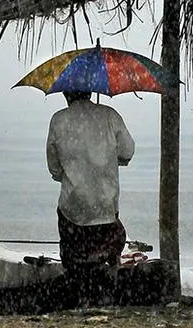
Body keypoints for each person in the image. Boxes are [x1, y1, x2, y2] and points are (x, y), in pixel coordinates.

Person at [46, 90, 135, 285]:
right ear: (91, 92)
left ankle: (75, 283)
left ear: (66, 95)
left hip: (73, 208)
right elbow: (128, 151)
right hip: (106, 207)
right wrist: (109, 159)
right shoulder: (110, 115)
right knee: (115, 235)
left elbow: (54, 167)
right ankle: (110, 277)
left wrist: (69, 174)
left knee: (72, 250)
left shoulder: (58, 119)